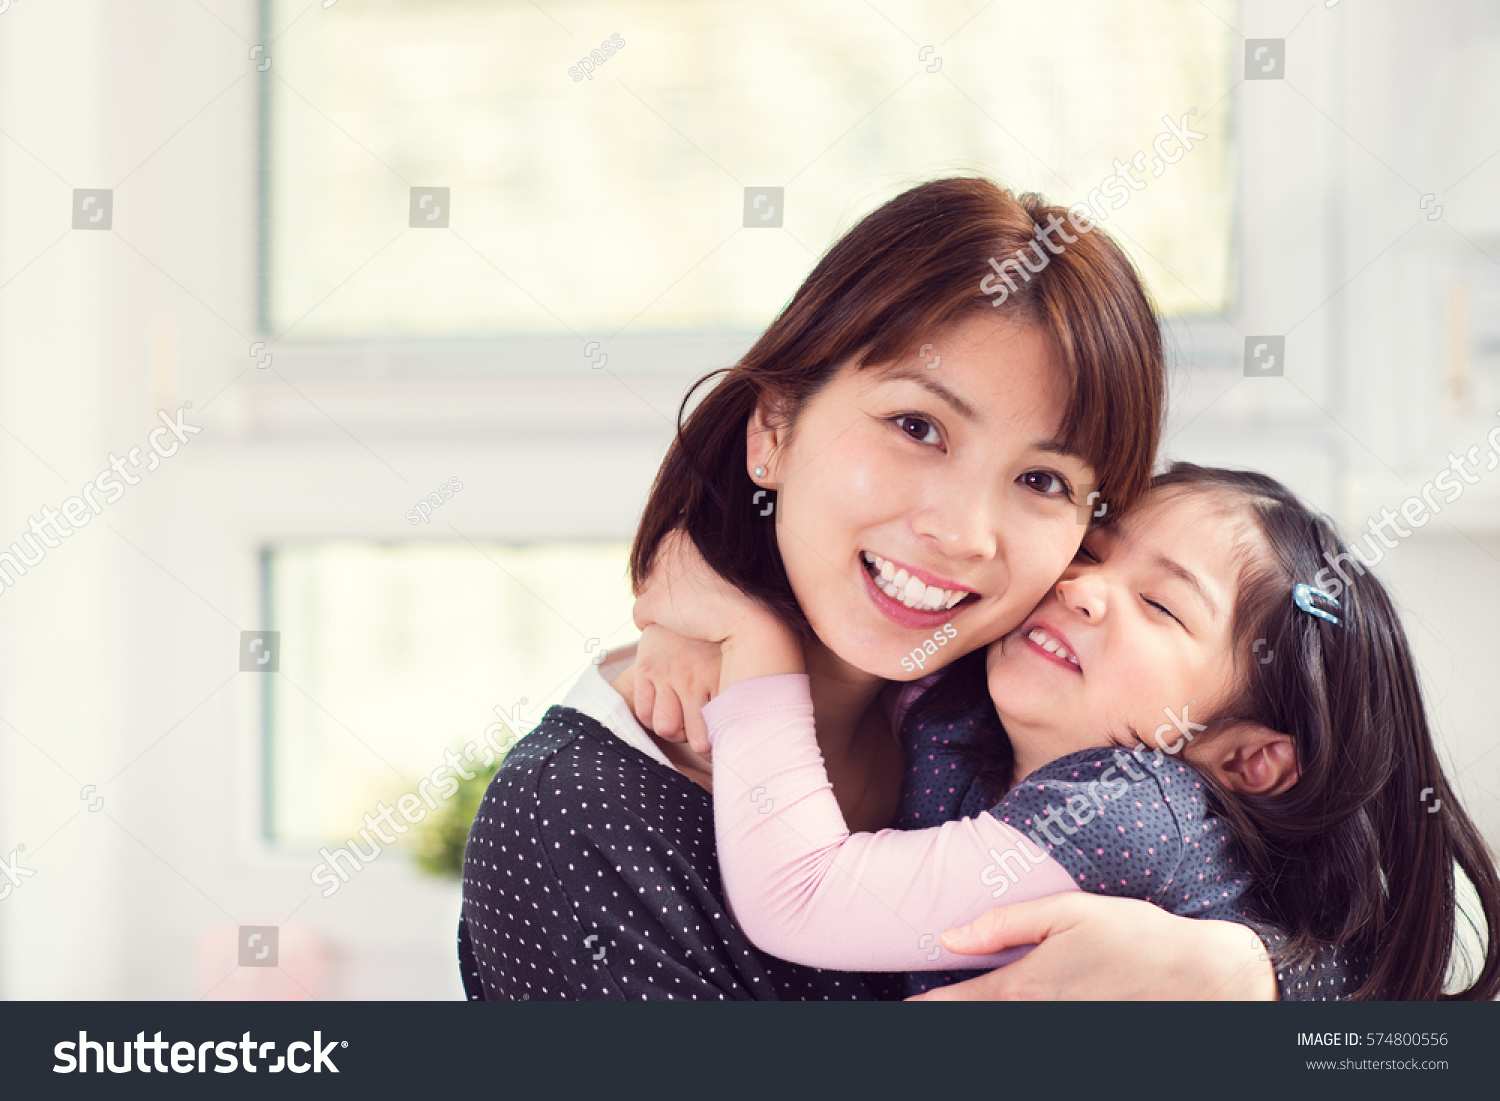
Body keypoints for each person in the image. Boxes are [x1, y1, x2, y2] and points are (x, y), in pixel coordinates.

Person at [459, 177, 1354, 999]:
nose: (964, 534)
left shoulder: (1013, 699)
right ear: (773, 426)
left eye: (1043, 480)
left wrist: (1236, 977)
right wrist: (755, 648)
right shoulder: (580, 822)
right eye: (917, 425)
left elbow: (1398, 1004)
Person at [633, 463, 1500, 1000]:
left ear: (1247, 756)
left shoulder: (1130, 810)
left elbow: (803, 897)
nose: (1083, 589)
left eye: (1160, 604)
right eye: (1092, 553)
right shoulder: (996, 705)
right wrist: (693, 592)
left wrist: (751, 641)